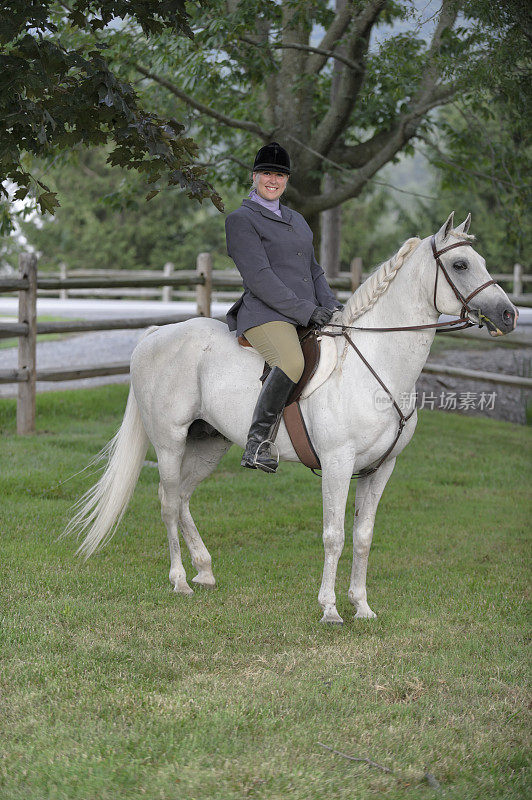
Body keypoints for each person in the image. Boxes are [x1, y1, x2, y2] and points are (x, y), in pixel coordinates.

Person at [225, 142, 342, 473]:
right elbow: (260, 278)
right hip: (266, 313)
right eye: (266, 174)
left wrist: (332, 306)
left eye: (279, 175)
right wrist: (306, 311)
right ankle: (257, 443)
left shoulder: (297, 220)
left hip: (306, 309)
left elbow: (314, 271)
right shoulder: (241, 220)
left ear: (286, 180)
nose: (272, 180)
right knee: (291, 360)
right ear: (254, 176)